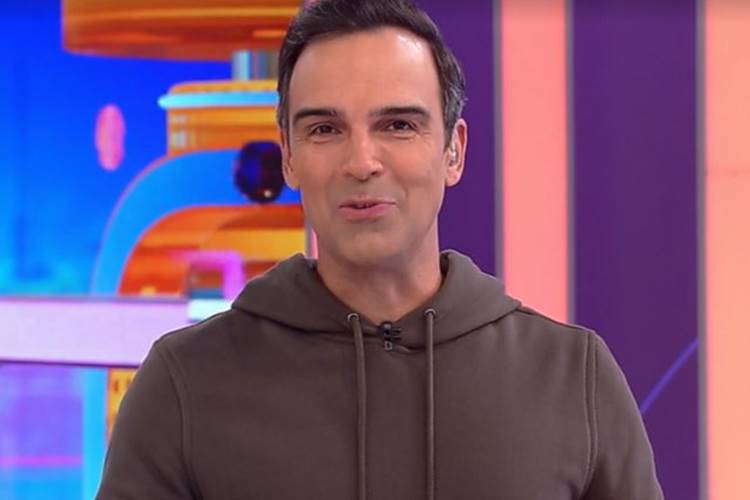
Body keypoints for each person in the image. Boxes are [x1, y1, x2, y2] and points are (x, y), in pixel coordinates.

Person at [96, 0, 663, 498]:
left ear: (454, 150)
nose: (362, 162)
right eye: (325, 129)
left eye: (397, 125)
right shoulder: (184, 383)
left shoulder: (573, 376)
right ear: (288, 157)